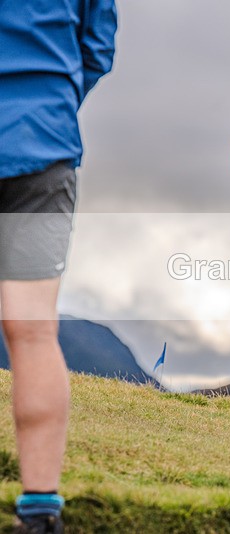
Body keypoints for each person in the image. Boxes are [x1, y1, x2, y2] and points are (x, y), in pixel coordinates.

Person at [0, 0, 117, 531]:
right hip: (42, 141)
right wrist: (48, 100)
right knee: (32, 330)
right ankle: (41, 510)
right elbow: (97, 48)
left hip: (41, 132)